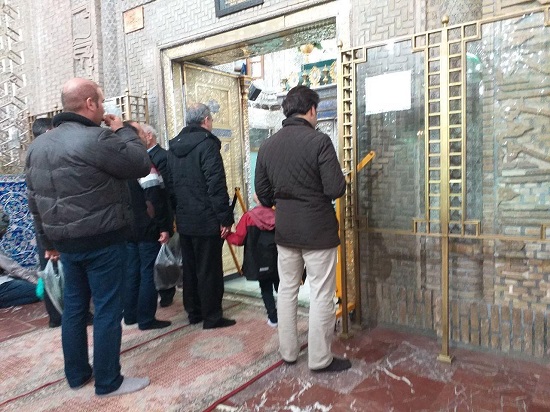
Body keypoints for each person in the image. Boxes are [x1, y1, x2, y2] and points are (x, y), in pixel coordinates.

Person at [25, 78, 151, 396]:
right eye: (102, 101)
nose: (104, 107)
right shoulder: (97, 138)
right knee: (107, 308)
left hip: (65, 243)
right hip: (102, 239)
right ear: (90, 103)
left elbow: (34, 201)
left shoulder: (38, 146)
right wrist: (122, 130)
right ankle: (108, 381)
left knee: (74, 307)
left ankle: (77, 374)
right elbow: (140, 164)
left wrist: (48, 243)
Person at [255, 85, 351, 373]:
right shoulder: (319, 141)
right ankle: (320, 359)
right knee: (321, 293)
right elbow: (335, 189)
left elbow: (263, 194)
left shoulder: (268, 145)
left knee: (286, 290)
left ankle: (288, 352)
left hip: (285, 230)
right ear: (311, 110)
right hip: (318, 231)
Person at [167, 103, 235, 329]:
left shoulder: (173, 147)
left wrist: (177, 215)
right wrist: (225, 218)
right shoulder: (207, 145)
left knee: (190, 268)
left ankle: (194, 312)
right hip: (206, 220)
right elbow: (216, 185)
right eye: (211, 120)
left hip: (185, 219)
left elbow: (170, 186)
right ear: (206, 120)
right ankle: (212, 316)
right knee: (209, 270)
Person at [31, 117, 94, 328]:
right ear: (48, 132)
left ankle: (57, 316)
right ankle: (69, 314)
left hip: (47, 225)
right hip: (56, 225)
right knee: (63, 274)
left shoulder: (34, 155)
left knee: (53, 272)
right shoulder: (48, 156)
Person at [122, 120, 171, 330]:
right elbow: (154, 200)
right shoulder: (143, 164)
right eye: (141, 132)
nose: (145, 135)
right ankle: (146, 319)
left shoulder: (118, 163)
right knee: (148, 273)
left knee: (132, 271)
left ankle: (130, 315)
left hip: (127, 228)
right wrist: (163, 226)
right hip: (146, 227)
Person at [226, 194, 279, 327]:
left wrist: (227, 235)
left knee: (266, 288)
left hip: (259, 261)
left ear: (258, 198)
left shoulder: (248, 217)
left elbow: (238, 240)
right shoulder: (279, 215)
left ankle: (273, 319)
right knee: (282, 288)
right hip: (278, 259)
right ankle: (287, 316)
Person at [141, 123, 177, 307]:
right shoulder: (140, 158)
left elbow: (164, 190)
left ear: (149, 136)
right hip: (147, 217)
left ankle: (167, 292)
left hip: (161, 213)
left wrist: (166, 221)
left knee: (163, 257)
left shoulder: (162, 156)